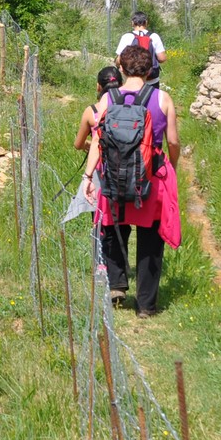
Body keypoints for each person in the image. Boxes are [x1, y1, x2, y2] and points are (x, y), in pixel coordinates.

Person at [81, 45, 181, 317]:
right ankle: (146, 305)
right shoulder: (163, 99)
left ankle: (117, 285)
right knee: (150, 240)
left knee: (113, 228)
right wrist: (172, 166)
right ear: (150, 71)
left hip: (114, 174)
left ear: (122, 69)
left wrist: (88, 176)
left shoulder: (108, 99)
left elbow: (97, 140)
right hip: (150, 178)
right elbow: (173, 141)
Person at [73, 65, 124, 152]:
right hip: (126, 158)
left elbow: (78, 144)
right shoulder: (130, 109)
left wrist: (90, 144)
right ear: (122, 85)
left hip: (99, 159)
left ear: (98, 87)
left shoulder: (91, 111)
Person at [114, 11, 165, 82]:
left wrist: (118, 65)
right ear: (146, 22)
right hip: (151, 78)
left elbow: (119, 60)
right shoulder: (154, 36)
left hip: (132, 79)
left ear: (132, 23)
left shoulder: (127, 37)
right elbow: (162, 58)